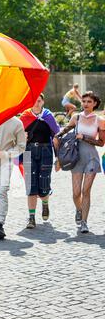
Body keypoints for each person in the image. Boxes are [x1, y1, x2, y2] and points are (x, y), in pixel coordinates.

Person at [53, 91, 105, 233]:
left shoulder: (99, 120)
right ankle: (79, 209)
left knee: (85, 191)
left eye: (89, 101)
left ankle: (84, 222)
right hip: (76, 158)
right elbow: (64, 132)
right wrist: (56, 137)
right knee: (76, 193)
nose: (86, 104)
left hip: (91, 158)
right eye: (84, 101)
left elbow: (101, 143)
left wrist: (84, 137)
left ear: (95, 104)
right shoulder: (76, 118)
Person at [20, 93, 60, 229]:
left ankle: (45, 204)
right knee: (30, 185)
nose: (36, 103)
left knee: (44, 183)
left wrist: (59, 158)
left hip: (46, 151)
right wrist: (22, 138)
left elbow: (57, 135)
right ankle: (31, 218)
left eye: (39, 101)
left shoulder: (48, 116)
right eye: (34, 101)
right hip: (28, 152)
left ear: (43, 102)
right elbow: (17, 137)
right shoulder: (24, 117)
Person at [0, 117, 26, 239]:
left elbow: (21, 146)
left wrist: (6, 154)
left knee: (2, 190)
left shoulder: (17, 123)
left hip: (7, 159)